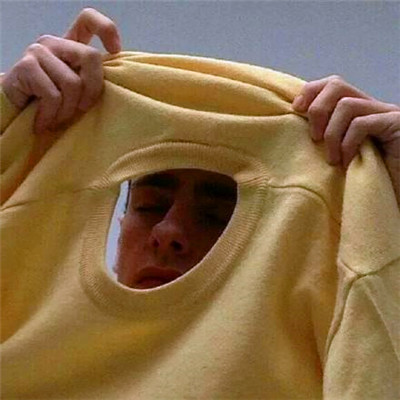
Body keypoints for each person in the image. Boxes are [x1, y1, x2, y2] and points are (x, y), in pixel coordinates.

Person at [1, 8, 399, 291]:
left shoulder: (318, 356)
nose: (169, 232)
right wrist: (9, 117)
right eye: (150, 206)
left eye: (215, 216)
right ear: (119, 231)